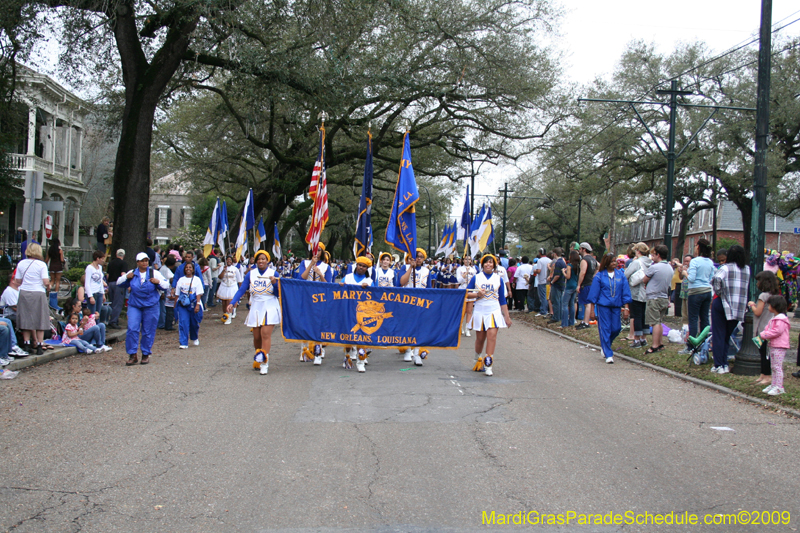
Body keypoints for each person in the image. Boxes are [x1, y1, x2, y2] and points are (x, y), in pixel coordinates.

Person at [227, 250, 281, 375]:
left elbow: (279, 294)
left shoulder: (274, 273)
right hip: (256, 305)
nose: (261, 261)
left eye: (263, 259)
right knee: (256, 336)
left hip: (270, 305)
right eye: (258, 259)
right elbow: (242, 289)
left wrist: (275, 283)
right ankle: (259, 356)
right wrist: (232, 302)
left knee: (265, 334)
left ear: (268, 261)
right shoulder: (250, 274)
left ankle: (264, 362)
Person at [117, 252, 169, 366]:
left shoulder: (154, 273)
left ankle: (145, 353)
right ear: (137, 262)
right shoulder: (132, 273)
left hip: (151, 305)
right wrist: (126, 276)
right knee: (132, 328)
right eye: (142, 261)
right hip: (135, 305)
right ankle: (132, 354)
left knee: (148, 330)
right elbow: (118, 282)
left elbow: (166, 284)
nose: (145, 263)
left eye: (146, 260)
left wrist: (158, 282)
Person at [466, 254, 512, 376]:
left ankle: (488, 364)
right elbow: (466, 293)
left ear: (494, 265)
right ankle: (477, 359)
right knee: (480, 339)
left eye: (491, 262)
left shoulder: (499, 279)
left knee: (492, 336)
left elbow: (502, 300)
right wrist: (477, 295)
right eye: (486, 262)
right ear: (482, 264)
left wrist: (506, 316)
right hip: (480, 310)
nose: (488, 264)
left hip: (494, 310)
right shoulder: (476, 278)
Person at [710, 245, 749, 374]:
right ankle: (724, 362)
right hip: (738, 306)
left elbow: (716, 279)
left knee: (718, 335)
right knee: (727, 335)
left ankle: (719, 364)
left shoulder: (725, 268)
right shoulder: (747, 270)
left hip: (722, 303)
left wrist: (720, 292)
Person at [587, 253, 632, 364]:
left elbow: (625, 292)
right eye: (612, 261)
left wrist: (626, 308)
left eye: (615, 261)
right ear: (606, 263)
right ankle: (608, 354)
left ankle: (605, 345)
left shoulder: (621, 275)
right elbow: (594, 294)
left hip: (616, 306)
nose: (615, 263)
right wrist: (592, 310)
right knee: (605, 329)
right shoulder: (600, 276)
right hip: (604, 306)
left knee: (616, 328)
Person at [14, 243, 51, 355]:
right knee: (40, 319)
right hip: (38, 292)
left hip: (25, 292)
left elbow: (17, 281)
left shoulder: (21, 264)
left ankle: (26, 344)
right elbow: (45, 281)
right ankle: (39, 345)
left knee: (26, 318)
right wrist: (48, 285)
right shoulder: (41, 265)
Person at [400, 248, 434, 365]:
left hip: (422, 303)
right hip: (407, 302)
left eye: (420, 256)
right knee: (408, 326)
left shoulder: (427, 271)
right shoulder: (404, 268)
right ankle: (408, 350)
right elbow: (401, 283)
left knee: (420, 328)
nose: (418, 258)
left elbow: (429, 288)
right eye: (415, 256)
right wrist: (410, 267)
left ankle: (417, 352)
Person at [341, 256, 374, 372]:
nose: (361, 267)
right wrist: (341, 286)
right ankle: (347, 358)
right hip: (348, 310)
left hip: (362, 314)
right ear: (356, 265)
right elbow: (337, 290)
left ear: (367, 269)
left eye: (364, 266)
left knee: (361, 337)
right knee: (348, 338)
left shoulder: (369, 281)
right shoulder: (348, 277)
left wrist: (368, 289)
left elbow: (374, 296)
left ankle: (361, 361)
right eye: (360, 265)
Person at [748, 271, 781, 386]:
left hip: (762, 329)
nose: (757, 283)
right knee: (765, 353)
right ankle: (763, 374)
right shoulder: (774, 295)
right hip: (770, 328)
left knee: (764, 353)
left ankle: (766, 376)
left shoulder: (763, 296)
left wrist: (752, 305)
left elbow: (758, 312)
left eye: (758, 281)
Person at [642, 245, 673, 354]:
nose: (652, 257)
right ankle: (660, 343)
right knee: (659, 321)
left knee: (654, 323)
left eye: (653, 255)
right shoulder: (669, 267)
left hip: (654, 297)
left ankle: (654, 345)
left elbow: (644, 279)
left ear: (658, 255)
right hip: (664, 296)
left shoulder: (654, 267)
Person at [758, 295, 790, 396]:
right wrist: (764, 333)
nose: (768, 307)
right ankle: (774, 384)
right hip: (773, 345)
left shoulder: (780, 319)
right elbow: (769, 328)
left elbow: (777, 331)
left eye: (769, 305)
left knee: (777, 367)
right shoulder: (774, 318)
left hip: (779, 346)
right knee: (773, 366)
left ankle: (779, 387)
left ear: (774, 306)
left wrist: (764, 335)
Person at [685, 238, 715, 341]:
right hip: (707, 291)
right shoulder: (710, 262)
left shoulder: (695, 261)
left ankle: (692, 343)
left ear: (698, 247)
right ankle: (704, 342)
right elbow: (711, 278)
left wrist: (685, 273)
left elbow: (691, 278)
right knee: (705, 318)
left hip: (695, 292)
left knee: (693, 318)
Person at [624, 242, 652, 347]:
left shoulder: (637, 263)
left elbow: (626, 274)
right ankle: (644, 338)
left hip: (636, 291)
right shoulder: (650, 262)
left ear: (638, 251)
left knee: (636, 315)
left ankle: (636, 339)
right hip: (648, 292)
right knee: (645, 316)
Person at [173, 262, 204, 349]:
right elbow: (177, 294)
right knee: (183, 322)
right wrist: (175, 306)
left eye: (190, 267)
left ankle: (194, 337)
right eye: (186, 267)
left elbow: (199, 293)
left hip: (193, 303)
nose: (188, 269)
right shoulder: (181, 280)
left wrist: (198, 304)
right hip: (183, 304)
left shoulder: (196, 280)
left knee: (194, 323)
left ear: (193, 269)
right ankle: (183, 342)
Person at [575, 243, 597, 329]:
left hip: (585, 284)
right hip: (590, 283)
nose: (579, 250)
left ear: (584, 249)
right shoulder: (593, 260)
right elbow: (598, 267)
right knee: (586, 303)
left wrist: (579, 285)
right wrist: (594, 276)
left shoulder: (584, 260)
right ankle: (584, 320)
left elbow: (582, 272)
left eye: (580, 249)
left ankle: (586, 322)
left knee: (587, 303)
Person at [217, 256, 243, 325]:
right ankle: (225, 315)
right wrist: (223, 270)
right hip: (224, 286)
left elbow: (239, 279)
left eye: (230, 260)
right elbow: (220, 277)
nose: (228, 261)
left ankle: (229, 317)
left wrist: (241, 290)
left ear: (232, 261)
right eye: (227, 260)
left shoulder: (235, 269)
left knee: (229, 302)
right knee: (224, 303)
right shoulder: (222, 268)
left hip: (232, 286)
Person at [85, 250, 108, 324]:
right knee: (92, 314)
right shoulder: (89, 268)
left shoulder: (100, 267)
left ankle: (98, 327)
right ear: (97, 258)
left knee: (98, 313)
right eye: (102, 259)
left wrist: (103, 293)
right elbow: (87, 283)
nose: (103, 260)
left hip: (99, 292)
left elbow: (100, 281)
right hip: (93, 292)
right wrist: (90, 296)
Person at [107, 249, 128, 329]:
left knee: (112, 302)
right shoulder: (123, 263)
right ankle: (113, 321)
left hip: (111, 283)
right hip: (118, 285)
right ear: (124, 255)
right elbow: (123, 274)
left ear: (116, 254)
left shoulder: (111, 263)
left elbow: (108, 275)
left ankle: (111, 318)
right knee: (118, 303)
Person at [457, 256, 478, 336]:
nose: (467, 261)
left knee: (469, 311)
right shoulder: (459, 269)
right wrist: (466, 273)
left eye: (469, 259)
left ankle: (467, 329)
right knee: (462, 311)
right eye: (466, 259)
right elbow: (459, 280)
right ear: (463, 260)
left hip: (471, 291)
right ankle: (460, 327)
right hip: (462, 290)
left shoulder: (474, 270)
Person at [560, 251, 580, 328]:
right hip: (575, 285)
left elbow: (568, 276)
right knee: (571, 303)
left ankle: (564, 323)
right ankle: (571, 321)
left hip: (569, 286)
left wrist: (563, 272)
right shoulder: (578, 266)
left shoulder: (569, 265)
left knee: (564, 304)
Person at [548, 248, 566, 324]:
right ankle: (560, 316)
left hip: (557, 284)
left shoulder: (558, 263)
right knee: (560, 301)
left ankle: (556, 317)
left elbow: (557, 275)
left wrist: (552, 282)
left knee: (555, 301)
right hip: (562, 284)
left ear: (555, 254)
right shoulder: (563, 262)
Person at [46, 238, 65, 311]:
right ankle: (55, 296)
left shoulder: (50, 251)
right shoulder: (60, 250)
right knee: (58, 281)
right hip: (58, 266)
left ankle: (48, 291)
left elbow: (47, 259)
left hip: (52, 266)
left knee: (52, 280)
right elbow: (62, 260)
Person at [533, 248, 551, 316]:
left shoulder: (540, 261)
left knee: (542, 297)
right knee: (547, 296)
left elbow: (539, 270)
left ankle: (543, 310)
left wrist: (535, 271)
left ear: (540, 253)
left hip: (541, 280)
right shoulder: (550, 260)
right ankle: (547, 309)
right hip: (548, 280)